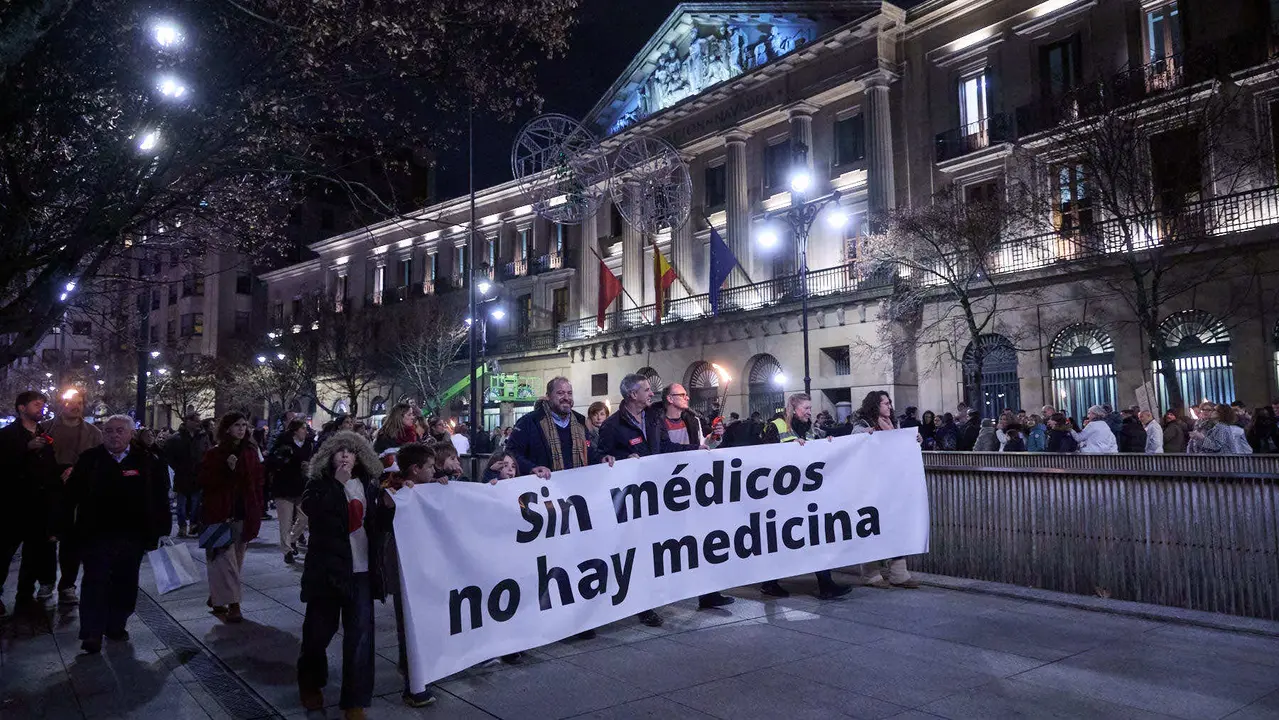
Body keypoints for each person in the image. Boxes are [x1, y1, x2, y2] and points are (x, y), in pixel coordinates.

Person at [297, 430, 393, 720]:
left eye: (351, 451)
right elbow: (313, 510)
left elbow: (377, 527)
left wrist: (388, 509)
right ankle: (311, 683)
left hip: (361, 570)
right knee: (317, 633)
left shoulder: (368, 485)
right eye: (339, 450)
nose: (345, 455)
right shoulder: (319, 484)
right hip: (328, 570)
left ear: (360, 456)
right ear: (328, 456)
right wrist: (336, 486)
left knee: (360, 637)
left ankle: (355, 700)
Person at [60, 415, 170, 653]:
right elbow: (71, 496)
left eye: (120, 430)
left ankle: (116, 624)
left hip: (133, 535)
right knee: (94, 580)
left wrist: (161, 530)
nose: (114, 435)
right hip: (96, 533)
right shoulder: (90, 460)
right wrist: (63, 527)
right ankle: (92, 631)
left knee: (126, 581)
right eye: (108, 431)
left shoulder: (147, 460)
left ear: (130, 434)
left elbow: (160, 496)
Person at [758, 392, 854, 600]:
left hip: (804, 493)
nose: (810, 412)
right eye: (806, 409)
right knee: (783, 539)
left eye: (810, 409)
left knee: (815, 536)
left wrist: (826, 442)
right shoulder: (775, 426)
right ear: (793, 408)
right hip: (782, 495)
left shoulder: (810, 429)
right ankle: (770, 582)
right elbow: (764, 457)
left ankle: (825, 584)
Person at [655, 383, 734, 609]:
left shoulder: (692, 420)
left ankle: (708, 592)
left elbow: (701, 447)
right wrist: (693, 450)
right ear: (669, 399)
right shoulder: (656, 421)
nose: (687, 397)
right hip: (665, 488)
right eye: (681, 395)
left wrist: (713, 438)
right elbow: (663, 449)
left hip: (690, 485)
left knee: (701, 539)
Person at [381, 442, 437, 707]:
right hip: (404, 565)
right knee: (409, 621)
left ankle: (418, 669)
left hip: (424, 564)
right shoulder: (393, 492)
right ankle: (412, 680)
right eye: (430, 467)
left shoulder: (428, 488)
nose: (434, 471)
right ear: (415, 470)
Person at [199, 412, 266, 622]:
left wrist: (258, 505)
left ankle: (218, 597)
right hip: (220, 513)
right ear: (227, 428)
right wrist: (226, 469)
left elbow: (257, 481)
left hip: (243, 512)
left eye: (244, 425)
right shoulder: (215, 453)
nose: (242, 428)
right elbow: (205, 481)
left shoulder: (250, 452)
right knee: (223, 561)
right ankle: (234, 605)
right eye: (237, 425)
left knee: (235, 561)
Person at [850, 391, 920, 590]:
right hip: (870, 486)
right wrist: (865, 437)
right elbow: (854, 444)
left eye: (889, 403)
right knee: (871, 527)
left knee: (896, 526)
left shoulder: (894, 425)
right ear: (875, 405)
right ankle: (870, 572)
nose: (889, 406)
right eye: (885, 403)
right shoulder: (862, 426)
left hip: (892, 485)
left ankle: (898, 572)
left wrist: (913, 441)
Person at [0, 390, 59, 615]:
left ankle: (25, 593)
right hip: (13, 505)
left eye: (42, 404)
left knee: (33, 553)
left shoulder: (45, 435)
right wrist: (25, 450)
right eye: (36, 404)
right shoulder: (7, 435)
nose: (41, 408)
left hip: (39, 505)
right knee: (4, 551)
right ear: (21, 408)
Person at [45, 391, 102, 606]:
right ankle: (46, 580)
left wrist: (78, 472)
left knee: (72, 541)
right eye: (71, 402)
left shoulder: (93, 432)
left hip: (79, 494)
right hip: (51, 490)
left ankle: (67, 584)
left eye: (79, 403)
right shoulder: (47, 428)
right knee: (46, 539)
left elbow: (98, 461)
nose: (76, 407)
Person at [269, 419, 313, 564]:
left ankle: (293, 540)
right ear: (295, 430)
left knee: (304, 518)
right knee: (286, 522)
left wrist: (308, 466)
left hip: (301, 486)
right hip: (284, 487)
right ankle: (287, 551)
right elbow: (272, 460)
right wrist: (284, 460)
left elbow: (310, 459)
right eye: (303, 428)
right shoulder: (284, 442)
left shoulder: (308, 444)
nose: (306, 431)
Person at [164, 412, 210, 538]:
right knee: (181, 504)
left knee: (196, 503)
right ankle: (182, 526)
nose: (198, 423)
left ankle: (193, 525)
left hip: (197, 474)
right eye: (195, 421)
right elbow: (169, 456)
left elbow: (207, 452)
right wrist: (178, 467)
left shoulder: (202, 436)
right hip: (182, 475)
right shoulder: (175, 438)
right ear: (188, 421)